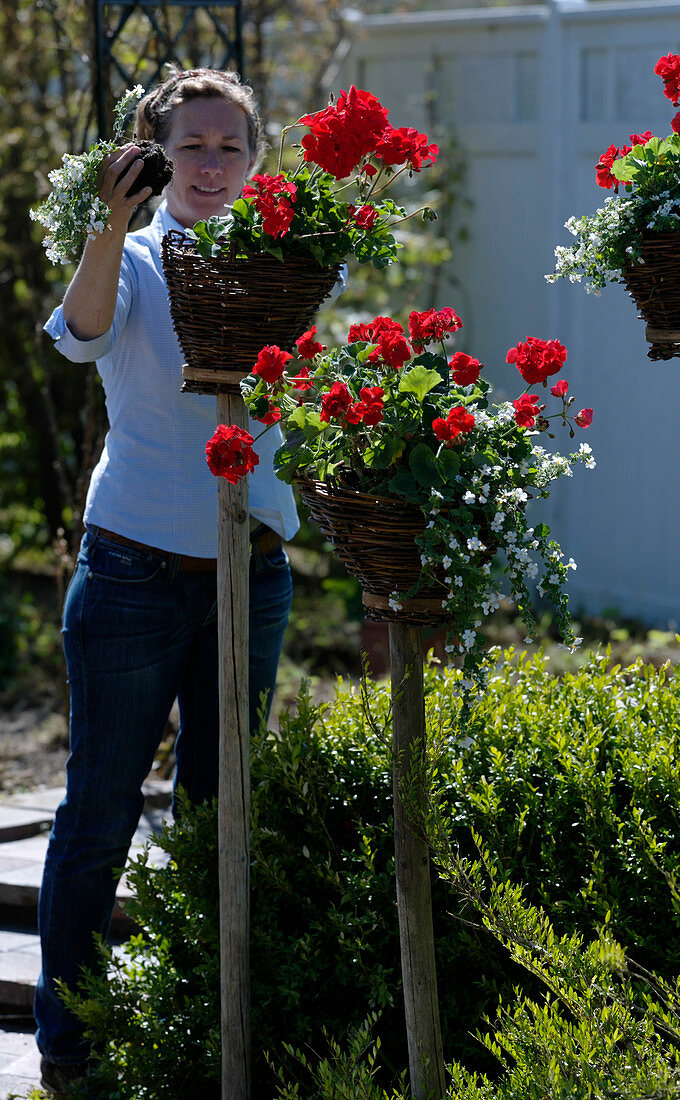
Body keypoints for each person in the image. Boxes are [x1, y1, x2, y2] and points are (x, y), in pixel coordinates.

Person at [35, 69, 299, 1093]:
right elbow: (82, 333)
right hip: (136, 573)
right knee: (100, 805)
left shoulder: (285, 266)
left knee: (220, 804)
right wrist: (112, 219)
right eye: (190, 145)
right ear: (154, 155)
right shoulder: (137, 260)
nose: (211, 165)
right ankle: (70, 1044)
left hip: (251, 571)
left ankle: (200, 1015)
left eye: (229, 146)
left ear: (255, 159)